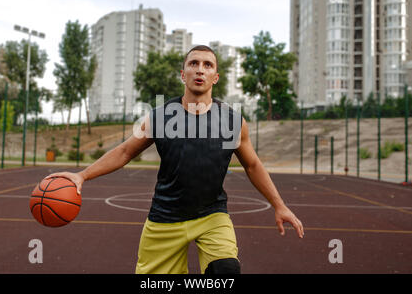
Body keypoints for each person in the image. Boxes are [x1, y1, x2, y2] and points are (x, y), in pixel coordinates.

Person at [45, 45, 304, 274]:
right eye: (193, 64)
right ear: (183, 74)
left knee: (226, 270)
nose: (199, 69)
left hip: (211, 216)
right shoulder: (160, 117)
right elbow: (125, 152)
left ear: (216, 77)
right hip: (165, 218)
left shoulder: (232, 121)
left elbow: (252, 165)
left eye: (207, 65)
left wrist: (279, 205)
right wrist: (82, 175)